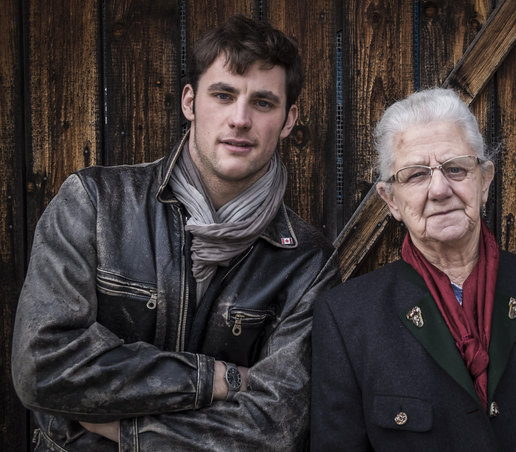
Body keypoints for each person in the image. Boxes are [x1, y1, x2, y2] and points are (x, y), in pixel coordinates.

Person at [12, 15, 339, 451]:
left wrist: (129, 433)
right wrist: (214, 380)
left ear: (287, 119)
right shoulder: (94, 203)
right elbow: (43, 366)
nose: (240, 119)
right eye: (223, 95)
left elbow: (272, 426)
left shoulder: (307, 262)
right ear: (190, 101)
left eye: (263, 103)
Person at [310, 88, 516, 451]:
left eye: (455, 168)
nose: (440, 189)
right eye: (415, 175)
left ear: (485, 180)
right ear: (391, 200)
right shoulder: (347, 318)